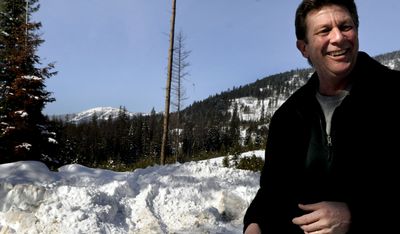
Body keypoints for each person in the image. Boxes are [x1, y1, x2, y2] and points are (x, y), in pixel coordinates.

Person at [243, 0, 400, 233]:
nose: (338, 37)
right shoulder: (287, 117)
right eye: (324, 30)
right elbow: (271, 193)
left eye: (345, 26)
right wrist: (254, 224)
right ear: (303, 48)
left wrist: (354, 216)